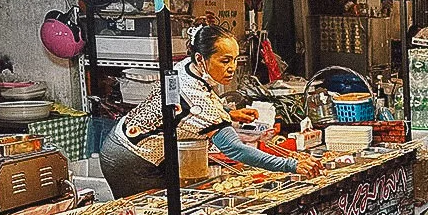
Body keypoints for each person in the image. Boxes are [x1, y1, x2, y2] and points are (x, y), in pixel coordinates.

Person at [100, 24, 318, 198]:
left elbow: (183, 109)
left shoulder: (186, 66)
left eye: (234, 59)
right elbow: (236, 150)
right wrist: (292, 165)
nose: (232, 67)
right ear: (200, 59)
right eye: (224, 60)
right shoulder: (197, 98)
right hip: (129, 159)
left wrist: (227, 113)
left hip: (127, 142)